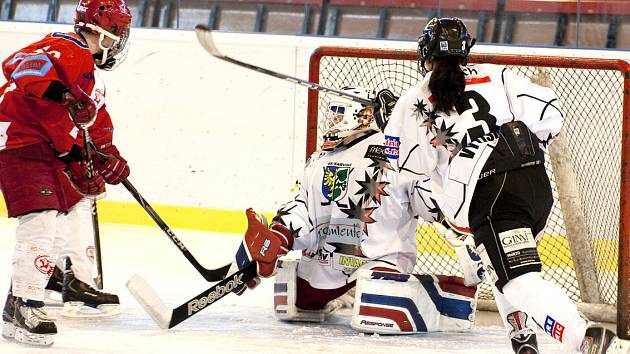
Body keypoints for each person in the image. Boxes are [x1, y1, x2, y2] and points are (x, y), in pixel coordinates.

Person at [382, 17, 616, 354]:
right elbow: (550, 116)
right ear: (466, 50)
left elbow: (410, 167)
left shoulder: (416, 99)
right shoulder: (499, 74)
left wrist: (390, 123)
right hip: (534, 185)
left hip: (492, 197)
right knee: (499, 264)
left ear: (426, 55)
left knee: (518, 281)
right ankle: (522, 338)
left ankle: (585, 338)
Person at [230, 86, 484, 334]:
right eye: (333, 113)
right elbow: (303, 204)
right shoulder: (322, 157)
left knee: (366, 307)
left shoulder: (387, 149)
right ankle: (358, 290)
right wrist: (280, 235)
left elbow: (426, 197)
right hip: (341, 262)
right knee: (302, 301)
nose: (334, 120)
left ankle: (439, 296)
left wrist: (462, 238)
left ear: (363, 115)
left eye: (341, 113)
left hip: (361, 261)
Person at [0, 0, 131, 346]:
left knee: (74, 201)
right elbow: (18, 66)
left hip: (47, 148)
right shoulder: (66, 47)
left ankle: (65, 277)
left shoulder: (93, 79)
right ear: (106, 31)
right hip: (18, 142)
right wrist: (65, 95)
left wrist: (108, 158)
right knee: (41, 218)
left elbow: (96, 126)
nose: (120, 42)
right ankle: (23, 303)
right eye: (119, 33)